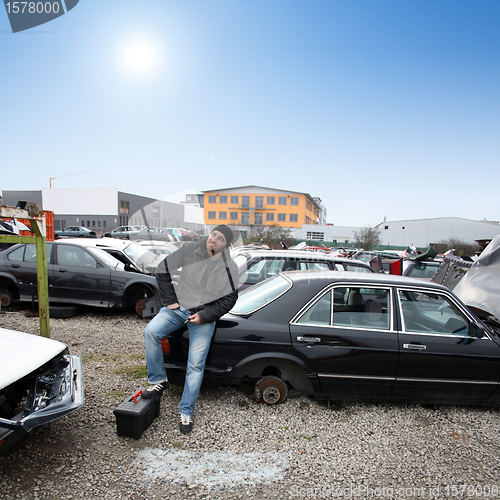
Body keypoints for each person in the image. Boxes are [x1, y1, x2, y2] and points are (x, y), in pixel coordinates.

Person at [142, 225, 238, 434]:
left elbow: (230, 299)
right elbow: (162, 268)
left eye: (220, 238)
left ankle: (186, 411)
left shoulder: (229, 266)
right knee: (150, 332)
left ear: (225, 245)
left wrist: (204, 316)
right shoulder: (189, 250)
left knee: (195, 365)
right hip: (179, 308)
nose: (213, 239)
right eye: (213, 234)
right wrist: (169, 300)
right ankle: (158, 380)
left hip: (203, 317)